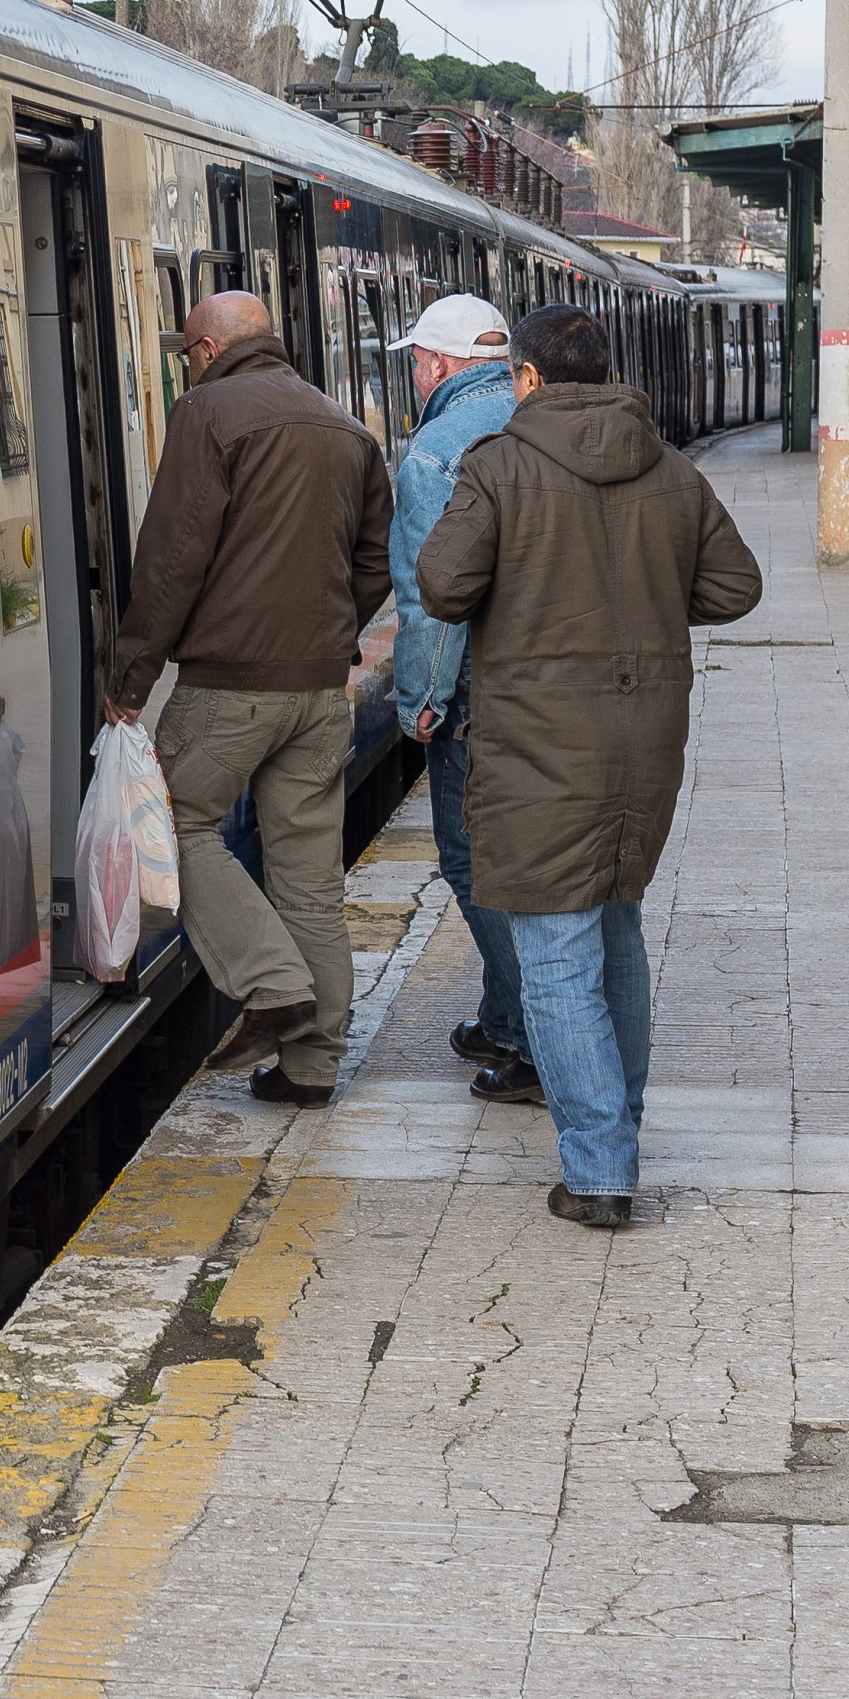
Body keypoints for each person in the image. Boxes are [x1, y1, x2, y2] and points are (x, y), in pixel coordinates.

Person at [414, 301, 763, 1227]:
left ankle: (603, 1169)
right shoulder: (672, 471)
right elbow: (736, 586)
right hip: (644, 742)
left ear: (525, 378)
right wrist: (642, 605)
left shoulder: (496, 469)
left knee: (557, 958)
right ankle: (619, 1139)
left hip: (534, 747)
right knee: (616, 938)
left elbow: (444, 585)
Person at [103, 287, 392, 1104]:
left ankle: (269, 985)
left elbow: (172, 558)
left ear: (203, 350)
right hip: (317, 693)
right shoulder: (344, 426)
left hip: (230, 687)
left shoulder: (210, 414)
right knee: (308, 880)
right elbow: (376, 561)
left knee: (170, 824)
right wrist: (330, 635)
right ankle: (311, 1068)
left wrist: (131, 679)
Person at [380, 291, 532, 1103]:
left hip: (473, 689)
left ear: (436, 364)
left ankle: (529, 1035)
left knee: (472, 859)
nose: (413, 371)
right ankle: (505, 1010)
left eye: (414, 360)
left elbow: (432, 593)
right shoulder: (538, 418)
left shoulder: (436, 448)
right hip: (544, 686)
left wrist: (423, 701)